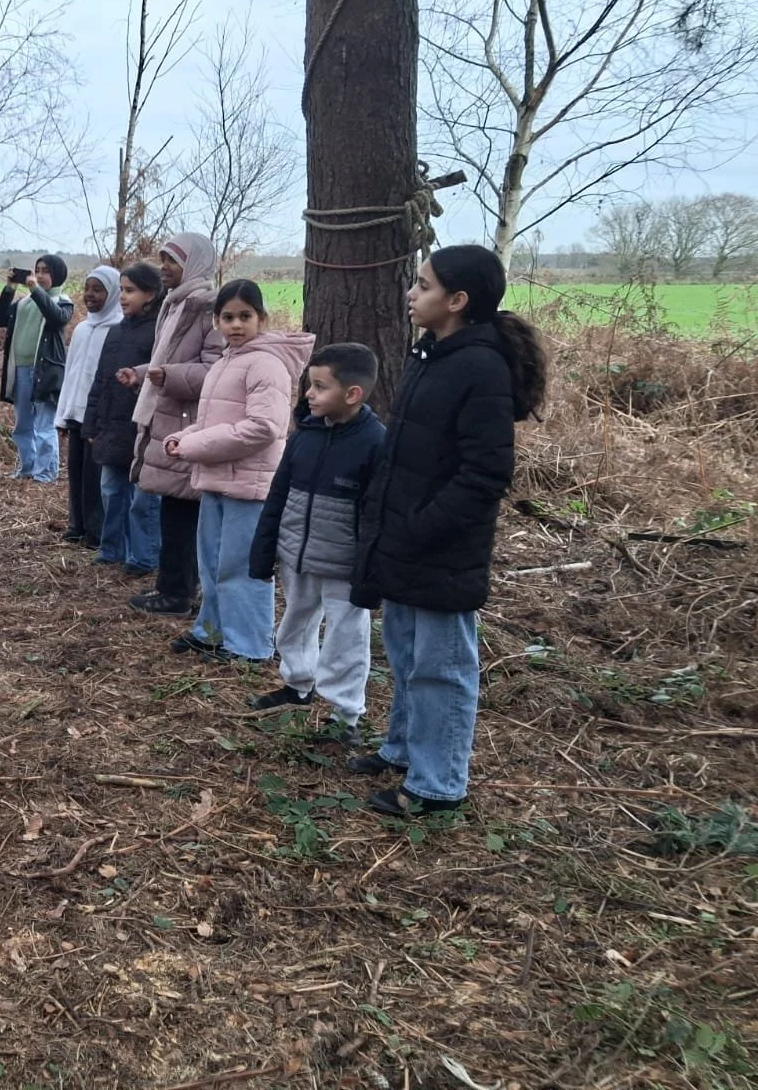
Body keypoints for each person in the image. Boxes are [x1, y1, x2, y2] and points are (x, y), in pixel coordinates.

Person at [347, 245, 548, 817]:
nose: (412, 293)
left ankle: (438, 784)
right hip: (406, 538)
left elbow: (485, 473)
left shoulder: (479, 366)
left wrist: (421, 526)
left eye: (424, 284)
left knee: (442, 668)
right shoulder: (433, 353)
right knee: (408, 655)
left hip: (440, 546)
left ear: (457, 301)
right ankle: (405, 749)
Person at [246, 343, 387, 747]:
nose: (309, 394)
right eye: (310, 385)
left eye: (320, 387)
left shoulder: (375, 443)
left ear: (352, 394)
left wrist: (369, 571)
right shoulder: (303, 437)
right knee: (296, 620)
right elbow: (278, 495)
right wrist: (266, 548)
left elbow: (376, 515)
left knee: (346, 636)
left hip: (344, 565)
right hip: (297, 554)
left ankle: (346, 716)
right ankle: (298, 683)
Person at [164, 280, 312, 662]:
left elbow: (264, 428)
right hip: (217, 479)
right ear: (216, 321)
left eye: (245, 316)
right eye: (228, 317)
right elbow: (216, 419)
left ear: (261, 319)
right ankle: (212, 632)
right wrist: (184, 436)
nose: (236, 324)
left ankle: (249, 645)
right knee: (212, 562)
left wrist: (195, 447)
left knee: (243, 566)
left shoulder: (267, 364)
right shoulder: (226, 361)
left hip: (250, 485)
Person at [121, 232, 224, 615]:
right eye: (163, 259)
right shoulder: (175, 304)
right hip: (166, 417)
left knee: (182, 512)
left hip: (186, 423)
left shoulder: (207, 308)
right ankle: (172, 585)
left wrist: (167, 375)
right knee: (172, 509)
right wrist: (143, 373)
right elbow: (169, 361)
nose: (163, 267)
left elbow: (214, 370)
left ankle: (178, 593)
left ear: (193, 264)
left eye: (172, 261)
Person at [82, 261, 164, 575]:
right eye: (123, 290)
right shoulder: (115, 332)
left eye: (131, 291)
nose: (123, 297)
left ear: (151, 294)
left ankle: (143, 557)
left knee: (142, 499)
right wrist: (92, 424)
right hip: (111, 427)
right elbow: (100, 381)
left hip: (142, 427)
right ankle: (111, 549)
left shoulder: (158, 333)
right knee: (111, 491)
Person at [54, 265, 123, 546]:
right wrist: (63, 415)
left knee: (96, 477)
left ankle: (96, 532)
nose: (90, 295)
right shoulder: (82, 328)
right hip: (76, 413)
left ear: (114, 293)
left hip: (98, 416)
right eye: (87, 289)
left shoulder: (118, 329)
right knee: (77, 472)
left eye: (98, 289)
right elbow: (71, 373)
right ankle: (77, 524)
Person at [0, 254, 74, 483]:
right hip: (20, 370)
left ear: (57, 275)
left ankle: (46, 473)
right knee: (23, 424)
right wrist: (9, 288)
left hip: (46, 371)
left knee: (44, 425)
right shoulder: (23, 304)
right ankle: (27, 468)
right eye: (37, 270)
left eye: (46, 271)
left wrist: (36, 290)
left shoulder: (63, 302)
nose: (39, 275)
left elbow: (56, 318)